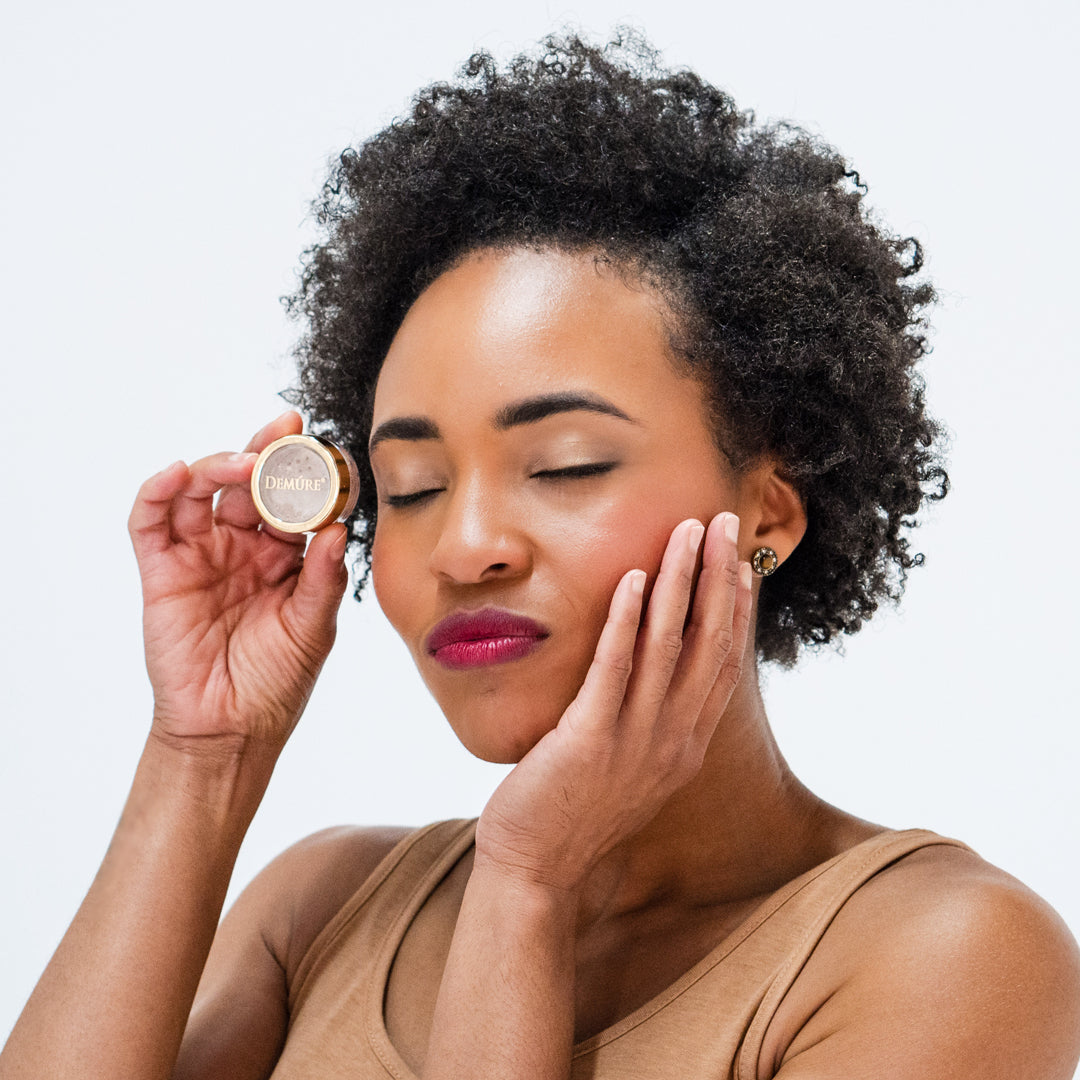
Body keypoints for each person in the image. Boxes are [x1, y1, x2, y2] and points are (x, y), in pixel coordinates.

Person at [2, 32, 1078, 1080]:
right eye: (413, 488)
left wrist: (526, 883)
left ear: (769, 514)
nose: (464, 547)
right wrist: (206, 755)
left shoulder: (943, 953)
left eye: (564, 465)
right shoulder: (319, 909)